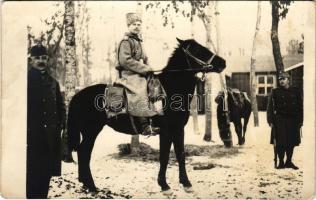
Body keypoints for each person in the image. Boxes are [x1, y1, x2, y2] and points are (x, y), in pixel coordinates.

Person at [27, 44, 66, 198]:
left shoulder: (53, 83)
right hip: (32, 137)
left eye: (44, 58)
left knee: (45, 175)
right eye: (37, 58)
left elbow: (60, 106)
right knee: (31, 176)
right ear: (30, 60)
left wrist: (61, 124)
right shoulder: (24, 81)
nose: (41, 61)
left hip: (50, 137)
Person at [115, 12, 160, 136]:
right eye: (133, 24)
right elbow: (125, 61)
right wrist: (144, 69)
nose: (136, 26)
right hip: (129, 74)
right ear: (128, 26)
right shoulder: (126, 42)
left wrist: (150, 69)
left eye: (139, 24)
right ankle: (144, 125)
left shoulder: (139, 41)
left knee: (156, 85)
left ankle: (156, 118)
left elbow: (145, 58)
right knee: (140, 89)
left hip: (140, 72)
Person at [267, 72, 303, 170]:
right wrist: (270, 120)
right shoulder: (275, 91)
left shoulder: (295, 91)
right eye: (280, 79)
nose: (281, 81)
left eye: (284, 79)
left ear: (288, 80)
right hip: (279, 120)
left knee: (291, 142)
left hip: (293, 120)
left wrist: (301, 120)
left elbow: (300, 107)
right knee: (280, 142)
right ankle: (281, 162)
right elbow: (270, 107)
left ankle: (289, 161)